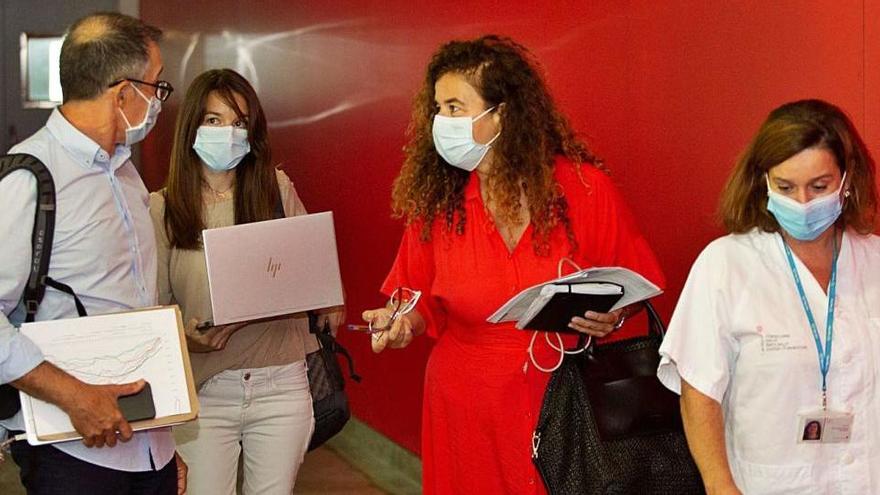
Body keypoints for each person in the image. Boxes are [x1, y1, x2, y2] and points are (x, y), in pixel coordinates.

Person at [361, 35, 664, 494]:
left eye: (456, 107)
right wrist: (399, 322)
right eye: (438, 109)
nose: (441, 121)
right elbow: (414, 299)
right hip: (463, 406)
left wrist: (613, 314)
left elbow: (636, 284)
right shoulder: (438, 205)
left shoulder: (585, 189)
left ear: (501, 113)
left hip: (566, 403)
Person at [0, 12, 186, 495]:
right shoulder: (29, 180)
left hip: (147, 446)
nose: (159, 100)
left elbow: (135, 305)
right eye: (156, 86)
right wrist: (76, 398)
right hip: (71, 450)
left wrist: (162, 438)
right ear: (123, 93)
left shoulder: (126, 174)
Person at [657, 99, 880, 494]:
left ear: (847, 180)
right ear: (763, 182)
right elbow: (699, 391)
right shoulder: (726, 264)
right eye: (786, 187)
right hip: (767, 483)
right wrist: (719, 485)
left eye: (819, 186)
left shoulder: (873, 260)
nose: (803, 204)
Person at [149, 68, 342, 495]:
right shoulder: (161, 208)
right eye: (214, 121)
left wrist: (329, 301)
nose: (228, 134)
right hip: (206, 393)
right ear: (191, 129)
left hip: (282, 384)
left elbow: (317, 280)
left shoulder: (275, 189)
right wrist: (186, 335)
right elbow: (155, 314)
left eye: (239, 123)